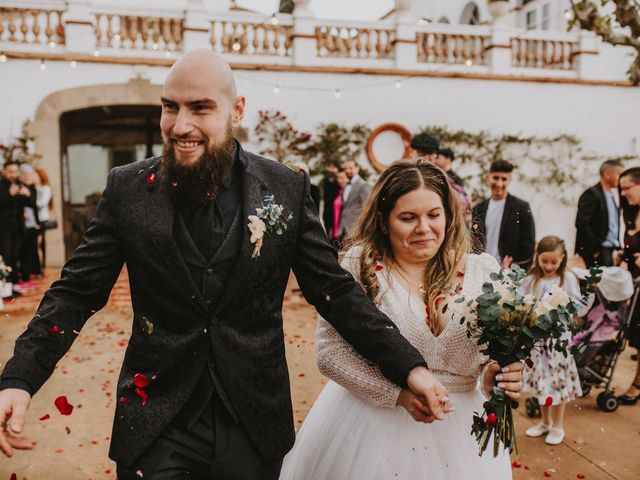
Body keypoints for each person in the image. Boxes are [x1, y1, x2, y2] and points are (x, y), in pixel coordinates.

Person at [0, 50, 449, 478]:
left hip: (252, 420)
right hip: (158, 420)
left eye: (200, 108)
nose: (180, 125)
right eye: (169, 107)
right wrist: (19, 378)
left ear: (237, 111)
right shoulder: (127, 189)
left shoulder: (285, 187)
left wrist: (408, 367)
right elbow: (77, 292)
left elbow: (335, 291)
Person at [280, 160, 523, 479]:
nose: (424, 228)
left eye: (434, 215)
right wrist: (397, 395)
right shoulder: (359, 266)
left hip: (461, 433)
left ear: (448, 215)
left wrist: (498, 375)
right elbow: (331, 354)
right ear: (383, 222)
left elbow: (495, 356)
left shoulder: (484, 272)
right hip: (372, 428)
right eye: (408, 218)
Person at [520, 236, 588, 445]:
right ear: (537, 257)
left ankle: (558, 425)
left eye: (553, 262)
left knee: (556, 384)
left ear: (562, 259)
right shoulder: (532, 279)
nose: (549, 266)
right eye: (544, 261)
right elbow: (521, 300)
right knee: (542, 383)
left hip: (558, 343)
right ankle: (545, 421)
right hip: (537, 343)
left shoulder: (566, 279)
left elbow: (578, 306)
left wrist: (564, 309)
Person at [472, 160, 535, 270]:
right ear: (488, 178)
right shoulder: (478, 209)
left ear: (509, 180)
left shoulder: (521, 207)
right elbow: (473, 240)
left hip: (508, 271)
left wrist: (515, 269)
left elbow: (528, 244)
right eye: (495, 178)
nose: (499, 184)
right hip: (483, 268)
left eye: (504, 179)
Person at [617, 167, 640, 405]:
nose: (623, 194)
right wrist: (622, 256)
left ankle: (637, 383)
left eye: (627, 188)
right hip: (636, 284)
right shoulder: (631, 215)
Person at [575, 159, 624, 268]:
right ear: (607, 174)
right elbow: (582, 224)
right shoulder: (591, 194)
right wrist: (596, 249)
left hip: (613, 249)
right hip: (599, 251)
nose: (622, 179)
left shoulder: (614, 195)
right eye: (619, 174)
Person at [0, 161, 32, 288]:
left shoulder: (19, 184)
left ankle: (14, 284)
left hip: (18, 227)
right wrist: (9, 194)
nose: (13, 174)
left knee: (15, 256)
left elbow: (31, 205)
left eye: (15, 172)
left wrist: (28, 195)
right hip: (3, 228)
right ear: (4, 172)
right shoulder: (1, 185)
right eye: (10, 172)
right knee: (6, 256)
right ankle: (5, 287)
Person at [18, 163, 41, 283]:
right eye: (25, 174)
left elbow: (33, 205)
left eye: (29, 174)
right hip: (21, 224)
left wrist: (37, 223)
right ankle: (24, 277)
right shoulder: (18, 187)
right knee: (23, 250)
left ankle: (28, 276)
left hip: (32, 224)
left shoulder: (32, 188)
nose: (27, 177)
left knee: (31, 250)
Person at [339, 159, 371, 238]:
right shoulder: (346, 185)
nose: (347, 170)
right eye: (345, 168)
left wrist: (362, 229)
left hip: (356, 229)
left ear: (357, 168)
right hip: (344, 228)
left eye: (350, 168)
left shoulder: (363, 185)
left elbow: (366, 208)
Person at [34, 166, 54, 270]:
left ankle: (40, 267)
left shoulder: (46, 188)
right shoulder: (34, 188)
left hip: (41, 218)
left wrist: (31, 200)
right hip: (34, 219)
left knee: (39, 243)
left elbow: (42, 203)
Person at [320, 160, 340, 234]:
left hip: (337, 211)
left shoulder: (340, 180)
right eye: (330, 167)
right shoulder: (326, 180)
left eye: (333, 167)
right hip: (327, 211)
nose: (331, 169)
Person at [329, 169, 349, 246]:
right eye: (339, 178)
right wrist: (331, 228)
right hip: (335, 229)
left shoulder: (350, 194)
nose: (341, 180)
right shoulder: (336, 192)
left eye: (343, 177)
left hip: (346, 229)